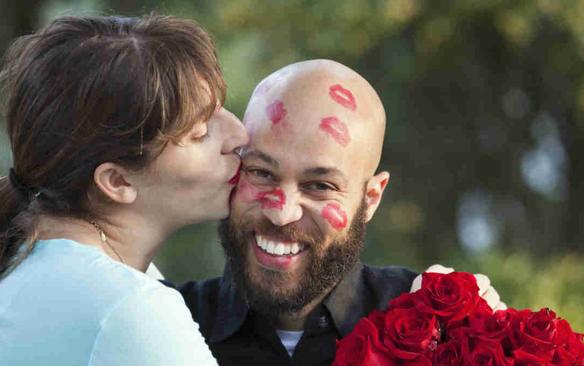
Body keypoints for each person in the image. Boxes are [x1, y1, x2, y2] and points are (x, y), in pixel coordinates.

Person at [172, 59, 504, 365]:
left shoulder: (441, 330)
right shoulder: (165, 322)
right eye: (261, 173)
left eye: (319, 186)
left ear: (371, 198)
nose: (281, 213)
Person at [0, 14, 247, 365]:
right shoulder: (127, 309)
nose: (239, 136)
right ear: (117, 182)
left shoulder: (16, 252)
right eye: (200, 133)